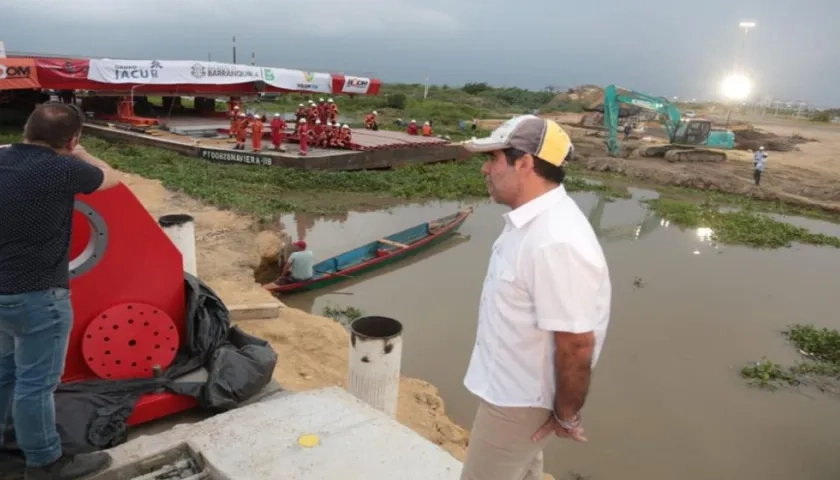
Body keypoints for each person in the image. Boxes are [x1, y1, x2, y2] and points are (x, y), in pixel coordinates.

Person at [459, 115, 612, 480]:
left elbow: (576, 344)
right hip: (512, 393)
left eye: (493, 158)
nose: (484, 169)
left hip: (517, 404)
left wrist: (566, 413)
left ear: (524, 163)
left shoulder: (555, 240)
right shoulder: (532, 224)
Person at [0, 102, 122, 479]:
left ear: (26, 130)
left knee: (4, 372)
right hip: (39, 297)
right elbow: (110, 177)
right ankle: (45, 462)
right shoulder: (63, 168)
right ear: (71, 139)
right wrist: (79, 151)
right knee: (36, 385)